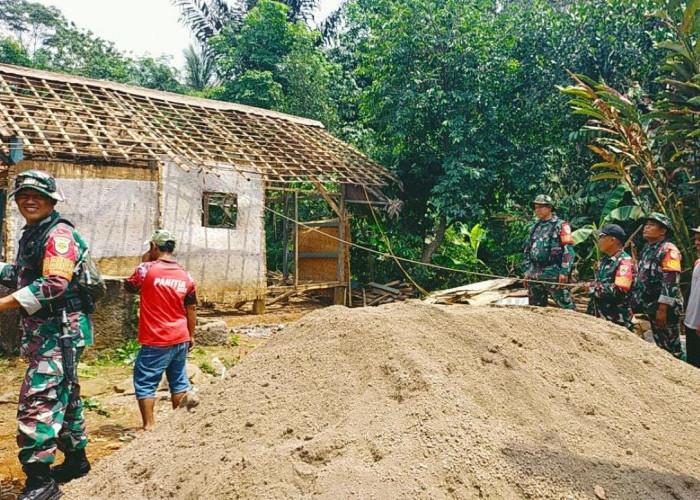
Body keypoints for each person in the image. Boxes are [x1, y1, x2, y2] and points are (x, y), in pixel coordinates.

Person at [0, 170, 93, 500]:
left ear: (52, 200)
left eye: (37, 195)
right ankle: (77, 460)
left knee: (38, 401)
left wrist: (4, 304)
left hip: (61, 331)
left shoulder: (58, 235)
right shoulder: (34, 234)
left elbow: (55, 283)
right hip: (47, 331)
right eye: (23, 195)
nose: (29, 200)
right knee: (64, 395)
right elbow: (23, 273)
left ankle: (40, 481)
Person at [125, 229, 197, 432]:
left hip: (156, 338)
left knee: (145, 381)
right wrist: (190, 335)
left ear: (154, 247)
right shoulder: (186, 275)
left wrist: (144, 259)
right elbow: (190, 309)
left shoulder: (146, 270)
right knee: (179, 381)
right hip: (180, 336)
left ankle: (149, 425)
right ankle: (178, 426)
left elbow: (129, 287)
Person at [631, 212, 684, 359]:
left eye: (652, 225)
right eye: (646, 224)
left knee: (671, 346)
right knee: (661, 345)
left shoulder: (668, 249)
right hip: (651, 305)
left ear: (663, 231)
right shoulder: (648, 249)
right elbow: (641, 277)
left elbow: (671, 280)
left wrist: (663, 308)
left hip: (666, 308)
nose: (646, 228)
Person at [522, 194, 576, 309]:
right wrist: (527, 270)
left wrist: (564, 271)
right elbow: (527, 250)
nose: (537, 210)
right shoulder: (535, 227)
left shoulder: (561, 225)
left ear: (550, 207)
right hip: (535, 273)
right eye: (536, 207)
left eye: (540, 207)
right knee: (535, 308)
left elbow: (568, 250)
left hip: (553, 272)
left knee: (566, 307)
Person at [586, 224, 636, 331]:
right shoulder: (604, 261)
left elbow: (619, 290)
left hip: (617, 321)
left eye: (601, 237)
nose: (599, 240)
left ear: (612, 240)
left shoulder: (624, 262)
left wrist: (591, 288)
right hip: (600, 318)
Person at [684, 225, 700, 368]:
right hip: (691, 322)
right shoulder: (697, 263)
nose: (697, 243)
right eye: (696, 239)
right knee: (692, 366)